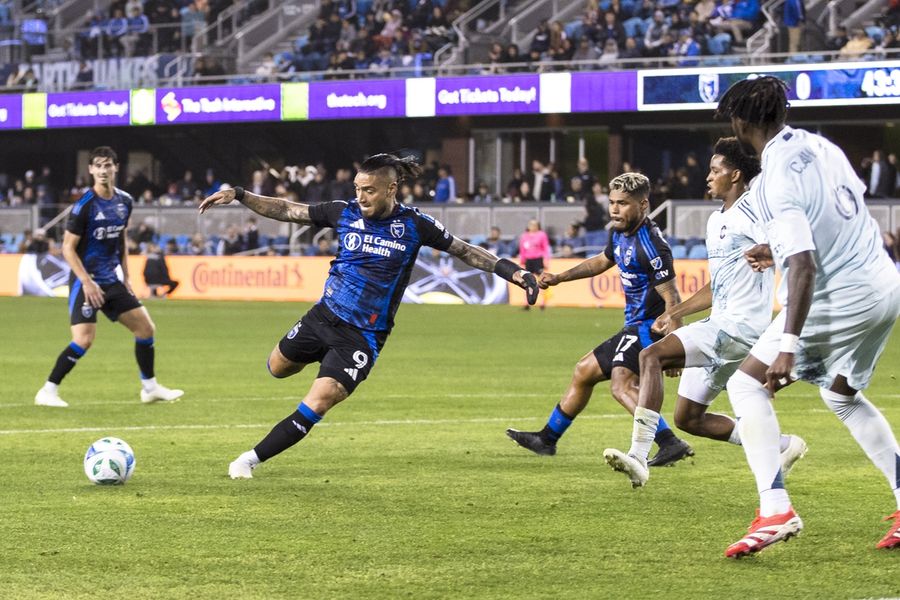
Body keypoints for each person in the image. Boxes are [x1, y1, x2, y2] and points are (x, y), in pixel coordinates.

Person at [198, 153, 539, 479]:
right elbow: (288, 209)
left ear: (391, 189)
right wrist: (240, 194)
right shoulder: (342, 212)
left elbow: (465, 250)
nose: (360, 196)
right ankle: (317, 357)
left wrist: (513, 272)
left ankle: (249, 459)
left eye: (369, 190)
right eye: (357, 189)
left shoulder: (415, 224)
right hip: (322, 317)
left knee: (320, 401)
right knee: (277, 368)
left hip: (362, 336)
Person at [713, 76, 900, 557]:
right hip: (885, 283)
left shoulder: (773, 178)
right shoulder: (822, 144)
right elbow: (842, 214)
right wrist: (775, 245)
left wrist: (789, 346)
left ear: (742, 121)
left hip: (842, 293)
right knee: (841, 395)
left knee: (746, 384)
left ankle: (775, 510)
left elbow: (804, 264)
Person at [602, 138, 805, 488]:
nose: (708, 176)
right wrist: (675, 312)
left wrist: (771, 250)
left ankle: (638, 456)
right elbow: (718, 285)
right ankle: (783, 445)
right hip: (725, 326)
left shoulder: (752, 212)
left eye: (715, 170)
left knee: (650, 356)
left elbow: (790, 245)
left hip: (738, 328)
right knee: (688, 418)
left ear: (736, 174)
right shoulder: (716, 221)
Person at [505, 173, 693, 465]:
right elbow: (602, 261)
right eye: (612, 203)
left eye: (623, 204)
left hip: (648, 328)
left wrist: (675, 345)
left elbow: (673, 299)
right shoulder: (619, 232)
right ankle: (547, 439)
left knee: (621, 385)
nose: (615, 210)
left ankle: (669, 442)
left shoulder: (653, 246)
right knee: (584, 371)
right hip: (632, 326)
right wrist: (560, 277)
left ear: (643, 205)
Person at [34, 147, 183, 408]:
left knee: (145, 328)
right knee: (84, 340)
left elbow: (121, 238)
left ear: (116, 168)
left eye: (108, 165)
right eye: (98, 166)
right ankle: (48, 390)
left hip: (110, 279)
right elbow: (68, 248)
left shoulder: (124, 201)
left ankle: (150, 388)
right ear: (91, 170)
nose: (103, 170)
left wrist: (126, 276)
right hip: (85, 280)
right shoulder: (84, 206)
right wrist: (87, 282)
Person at [518, 219, 551, 310]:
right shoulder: (524, 236)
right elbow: (522, 249)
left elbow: (545, 248)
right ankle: (527, 302)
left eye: (534, 224)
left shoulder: (541, 235)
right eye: (531, 224)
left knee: (541, 281)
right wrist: (522, 259)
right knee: (527, 281)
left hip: (538, 260)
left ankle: (543, 302)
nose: (532, 226)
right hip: (529, 260)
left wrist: (546, 260)